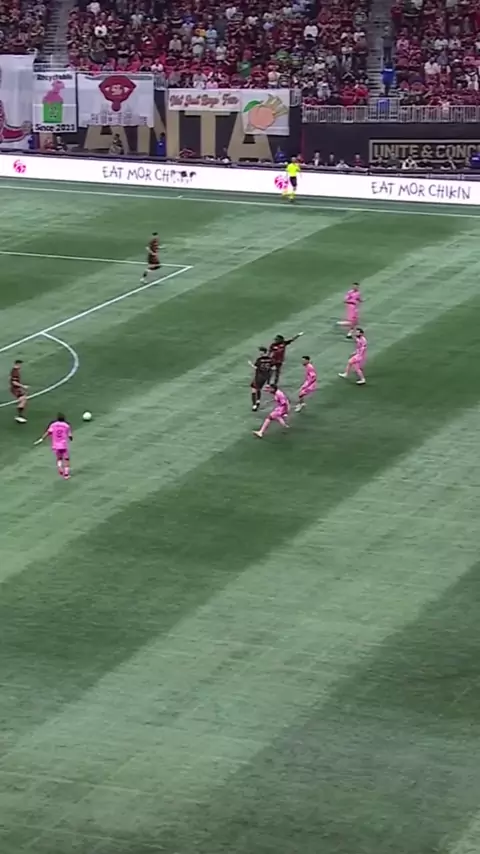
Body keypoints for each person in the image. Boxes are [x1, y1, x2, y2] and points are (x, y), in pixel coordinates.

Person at [34, 412, 73, 478]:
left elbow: (48, 432)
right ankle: (66, 474)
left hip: (55, 445)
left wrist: (42, 438)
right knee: (66, 459)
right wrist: (71, 438)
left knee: (59, 458)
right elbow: (70, 436)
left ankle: (60, 467)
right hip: (63, 445)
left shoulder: (53, 425)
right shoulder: (66, 425)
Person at [249, 346, 272, 411]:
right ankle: (258, 400)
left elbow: (256, 368)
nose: (259, 352)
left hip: (259, 376)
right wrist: (268, 381)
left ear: (263, 352)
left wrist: (250, 364)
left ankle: (254, 405)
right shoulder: (270, 359)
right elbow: (272, 368)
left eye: (260, 351)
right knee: (258, 388)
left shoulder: (259, 359)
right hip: (265, 377)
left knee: (253, 389)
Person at [10, 358, 27, 423]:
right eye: (20, 365)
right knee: (23, 400)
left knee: (23, 399)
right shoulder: (15, 372)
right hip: (15, 389)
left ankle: (19, 415)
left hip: (16, 388)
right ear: (18, 364)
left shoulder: (15, 371)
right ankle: (19, 416)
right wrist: (23, 386)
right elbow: (14, 382)